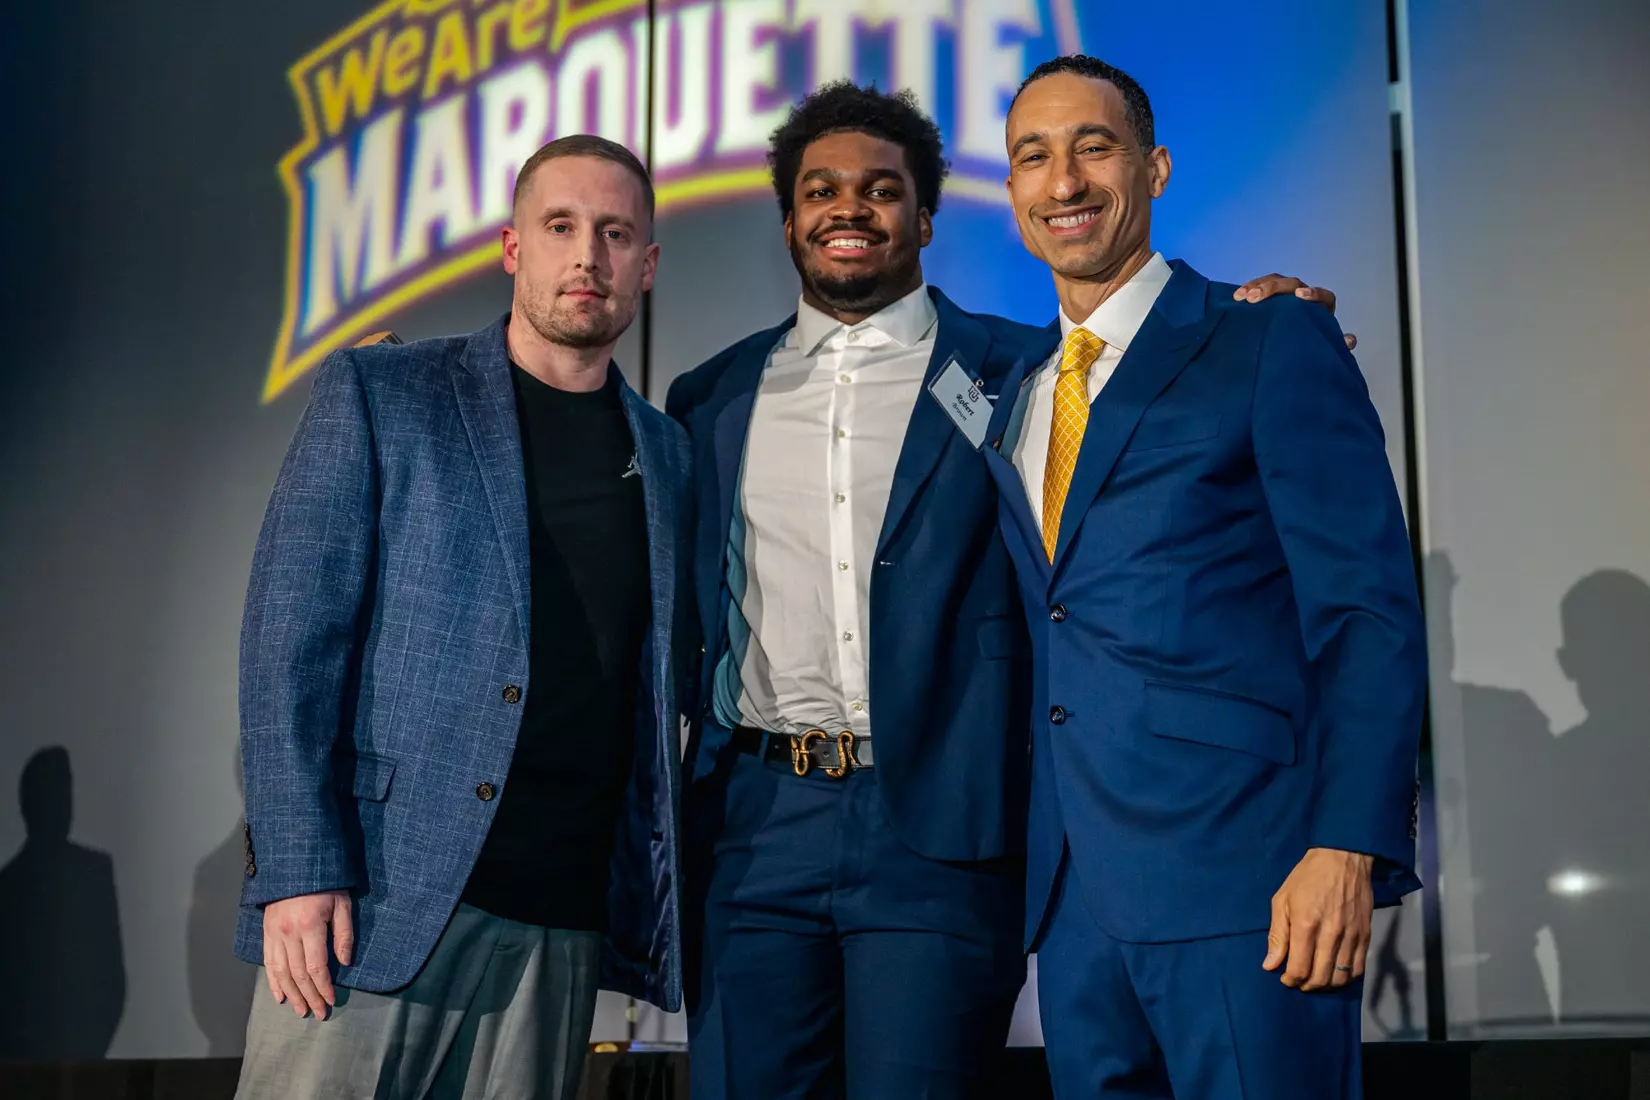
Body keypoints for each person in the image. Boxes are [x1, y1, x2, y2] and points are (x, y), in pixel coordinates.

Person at [666, 81, 1344, 1100]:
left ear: (926, 215)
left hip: (940, 829)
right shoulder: (708, 395)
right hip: (756, 824)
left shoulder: (1025, 368)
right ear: (789, 217)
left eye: (881, 189)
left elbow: (1149, 377)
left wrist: (1271, 309)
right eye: (820, 190)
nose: (848, 208)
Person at [981, 56, 1427, 1098]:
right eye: (1033, 158)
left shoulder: (1267, 336)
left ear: (1156, 167)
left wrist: (1346, 844)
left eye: (1094, 147)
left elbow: (1366, 612)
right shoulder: (1014, 386)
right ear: (1010, 193)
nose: (1065, 182)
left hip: (1254, 881)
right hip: (1077, 903)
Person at [232, 134, 693, 1100]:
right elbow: (289, 642)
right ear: (512, 247)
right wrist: (297, 868)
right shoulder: (386, 390)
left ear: (646, 266)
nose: (587, 257)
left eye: (615, 234)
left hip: (561, 925)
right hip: (372, 904)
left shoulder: (671, 454)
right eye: (560, 226)